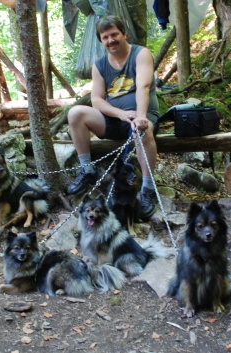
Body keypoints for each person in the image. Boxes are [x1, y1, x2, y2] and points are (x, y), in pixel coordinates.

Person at [67, 15, 160, 220]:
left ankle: (147, 189)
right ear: (101, 41)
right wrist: (121, 114)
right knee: (75, 113)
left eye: (114, 34)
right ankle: (87, 170)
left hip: (141, 117)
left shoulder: (140, 54)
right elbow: (97, 100)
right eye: (105, 37)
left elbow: (144, 86)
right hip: (113, 119)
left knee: (141, 130)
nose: (110, 40)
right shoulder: (99, 65)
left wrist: (140, 116)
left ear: (124, 34)